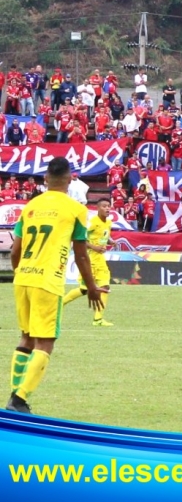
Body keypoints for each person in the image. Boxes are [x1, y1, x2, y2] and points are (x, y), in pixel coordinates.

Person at [7, 157, 106, 414]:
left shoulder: (30, 206)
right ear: (70, 178)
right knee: (45, 341)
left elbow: (15, 250)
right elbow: (81, 253)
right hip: (47, 280)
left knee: (26, 336)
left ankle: (14, 395)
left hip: (23, 278)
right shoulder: (75, 209)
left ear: (45, 179)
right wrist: (92, 287)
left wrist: (21, 272)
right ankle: (19, 399)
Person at [63, 198, 114, 327]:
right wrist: (95, 247)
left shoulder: (108, 223)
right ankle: (59, 306)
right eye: (104, 206)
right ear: (98, 208)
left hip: (99, 260)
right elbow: (80, 239)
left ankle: (98, 319)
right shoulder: (92, 223)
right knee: (85, 290)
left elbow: (103, 236)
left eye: (109, 206)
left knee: (102, 287)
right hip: (90, 259)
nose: (107, 208)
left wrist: (110, 241)